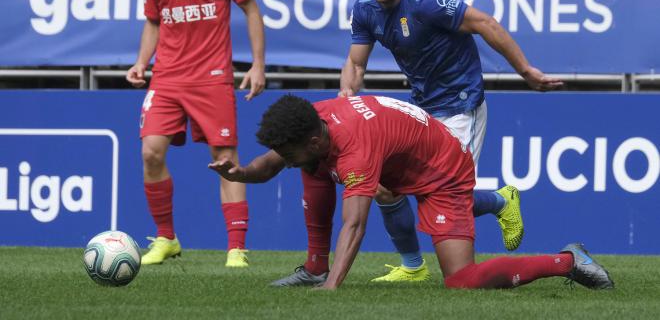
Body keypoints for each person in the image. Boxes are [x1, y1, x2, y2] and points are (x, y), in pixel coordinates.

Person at [269, 0, 563, 287]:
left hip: (461, 106)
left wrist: (525, 70)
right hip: (423, 107)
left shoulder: (427, 3)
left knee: (440, 192)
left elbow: (485, 23)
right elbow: (355, 63)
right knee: (385, 187)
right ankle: (412, 266)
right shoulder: (365, 8)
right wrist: (347, 92)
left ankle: (501, 201)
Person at [209, 94, 614, 291]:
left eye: (289, 151)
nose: (282, 157)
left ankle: (567, 258)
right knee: (313, 170)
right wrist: (241, 172)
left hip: (443, 171)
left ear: (315, 138)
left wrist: (334, 287)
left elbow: (354, 224)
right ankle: (315, 266)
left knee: (461, 281)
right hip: (405, 154)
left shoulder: (354, 151)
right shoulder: (314, 122)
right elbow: (274, 163)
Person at [126, 0, 266, 268]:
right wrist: (141, 61)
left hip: (212, 77)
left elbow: (252, 10)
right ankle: (166, 238)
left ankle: (236, 248)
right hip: (167, 77)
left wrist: (257, 65)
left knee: (225, 160)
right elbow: (154, 20)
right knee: (150, 151)